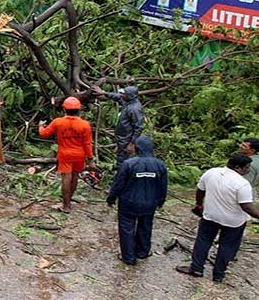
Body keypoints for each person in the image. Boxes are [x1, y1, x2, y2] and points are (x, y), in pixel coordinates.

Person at [176, 154, 259, 282]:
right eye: (247, 167)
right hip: (233, 222)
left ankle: (196, 268)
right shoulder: (242, 184)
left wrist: (199, 205)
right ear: (238, 168)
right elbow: (247, 208)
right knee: (227, 246)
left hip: (210, 216)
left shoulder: (211, 173)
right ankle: (218, 275)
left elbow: (200, 190)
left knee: (203, 241)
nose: (249, 170)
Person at [106, 135, 168, 265]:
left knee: (126, 228)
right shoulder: (160, 165)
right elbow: (163, 186)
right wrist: (161, 201)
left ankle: (128, 257)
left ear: (137, 147)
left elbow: (118, 184)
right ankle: (142, 252)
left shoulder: (129, 164)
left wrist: (111, 198)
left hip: (129, 202)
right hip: (150, 203)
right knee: (146, 226)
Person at [38, 97, 95, 213]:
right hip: (80, 155)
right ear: (79, 110)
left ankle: (66, 205)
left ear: (64, 109)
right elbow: (88, 144)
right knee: (74, 177)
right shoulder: (85, 124)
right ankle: (68, 201)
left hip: (65, 154)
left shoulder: (58, 122)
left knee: (66, 178)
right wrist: (91, 159)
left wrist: (40, 126)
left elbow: (44, 134)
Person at [93, 86, 145, 167]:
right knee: (121, 158)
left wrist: (132, 143)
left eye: (124, 94)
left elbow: (138, 127)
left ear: (130, 96)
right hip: (122, 138)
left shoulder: (135, 109)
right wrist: (104, 93)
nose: (121, 95)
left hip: (127, 140)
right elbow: (117, 96)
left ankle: (123, 176)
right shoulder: (128, 102)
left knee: (124, 161)